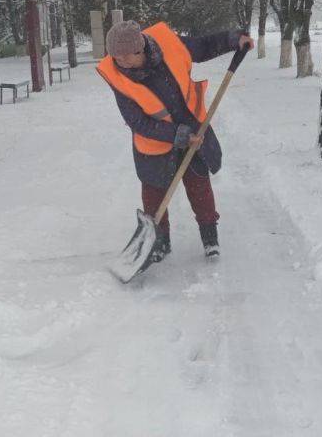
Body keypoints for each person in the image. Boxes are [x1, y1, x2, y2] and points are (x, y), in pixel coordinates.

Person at [97, 20, 254, 263]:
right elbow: (138, 121)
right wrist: (175, 135)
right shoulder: (120, 80)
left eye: (127, 57)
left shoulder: (169, 45)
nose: (122, 63)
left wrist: (233, 40)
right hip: (154, 143)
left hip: (193, 130)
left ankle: (210, 237)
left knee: (200, 187)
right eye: (117, 58)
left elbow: (202, 47)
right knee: (153, 196)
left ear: (141, 49)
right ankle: (159, 243)